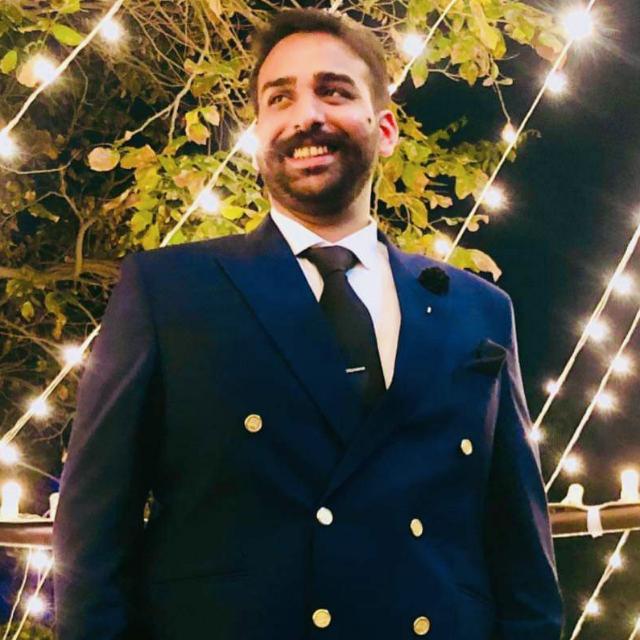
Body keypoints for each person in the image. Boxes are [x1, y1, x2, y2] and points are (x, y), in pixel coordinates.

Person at [53, 7, 564, 639]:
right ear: (259, 133)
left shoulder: (479, 308)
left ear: (385, 129)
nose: (307, 115)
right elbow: (93, 536)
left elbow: (521, 554)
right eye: (280, 98)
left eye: (334, 91)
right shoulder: (168, 290)